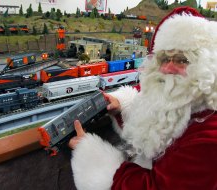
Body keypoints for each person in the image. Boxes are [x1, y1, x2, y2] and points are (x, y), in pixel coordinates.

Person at [69, 7, 217, 190]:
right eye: (164, 58)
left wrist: (91, 156)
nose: (168, 68)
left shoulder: (209, 139)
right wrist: (122, 106)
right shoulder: (189, 102)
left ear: (206, 65)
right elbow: (160, 125)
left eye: (181, 60)